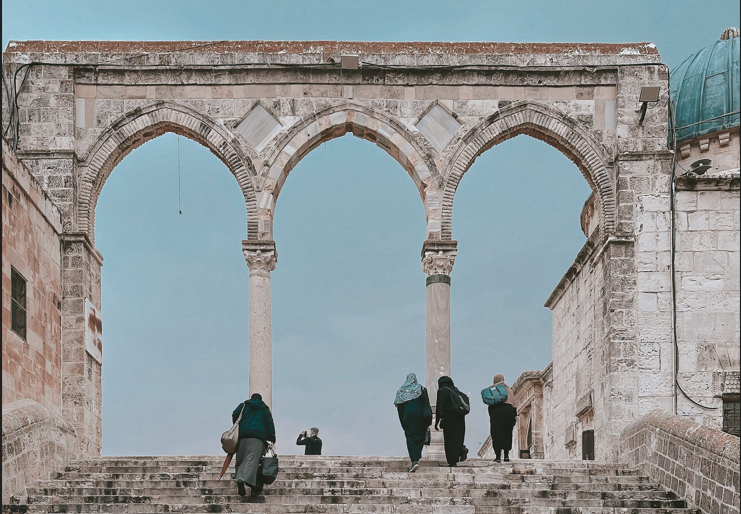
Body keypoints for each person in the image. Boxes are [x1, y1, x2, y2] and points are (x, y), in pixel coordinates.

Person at [232, 393, 276, 497]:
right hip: (258, 438)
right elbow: (270, 424)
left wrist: (241, 425)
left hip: (243, 437)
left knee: (241, 459)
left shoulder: (243, 405)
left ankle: (243, 479)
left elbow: (234, 414)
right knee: (253, 461)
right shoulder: (264, 409)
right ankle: (244, 480)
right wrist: (272, 438)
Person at [394, 372, 433, 473]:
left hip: (408, 418)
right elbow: (426, 404)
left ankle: (414, 461)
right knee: (419, 438)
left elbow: (400, 409)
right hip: (420, 418)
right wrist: (428, 421)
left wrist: (402, 421)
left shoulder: (401, 391)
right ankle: (416, 457)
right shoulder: (421, 389)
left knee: (411, 439)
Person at [434, 376, 469, 467]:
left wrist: (437, 421)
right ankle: (461, 449)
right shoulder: (458, 392)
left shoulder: (442, 391)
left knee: (450, 440)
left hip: (449, 419)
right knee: (458, 437)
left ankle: (452, 461)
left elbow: (440, 406)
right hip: (460, 418)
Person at [487, 373, 517, 462]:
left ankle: (498, 456)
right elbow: (514, 403)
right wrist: (513, 415)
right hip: (508, 410)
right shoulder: (508, 389)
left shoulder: (491, 389)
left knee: (496, 433)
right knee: (507, 433)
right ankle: (506, 455)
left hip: (496, 411)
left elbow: (489, 403)